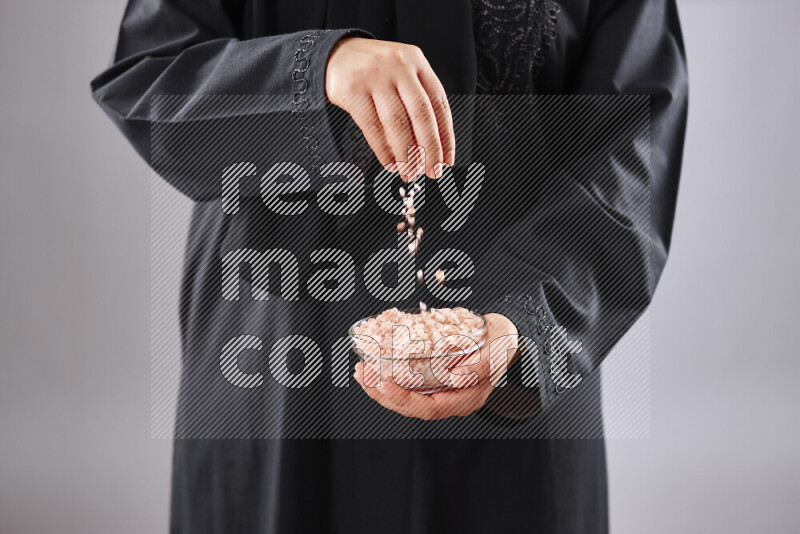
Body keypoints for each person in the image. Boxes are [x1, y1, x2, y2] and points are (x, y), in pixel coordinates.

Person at [91, 1, 687, 532]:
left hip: (509, 388)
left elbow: (634, 145)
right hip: (274, 364)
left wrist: (527, 326)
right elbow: (148, 79)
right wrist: (316, 69)